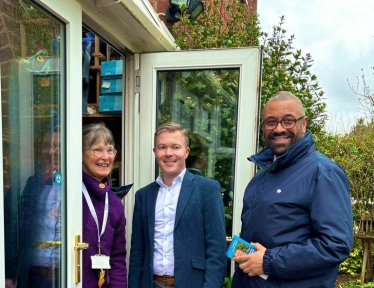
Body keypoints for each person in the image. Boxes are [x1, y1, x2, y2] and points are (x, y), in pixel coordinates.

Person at [232, 91, 353, 288]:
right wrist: (243, 251)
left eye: (288, 121)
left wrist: (268, 260)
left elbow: (335, 245)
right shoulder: (261, 177)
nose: (279, 129)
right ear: (263, 127)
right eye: (271, 122)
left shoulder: (323, 173)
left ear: (304, 123)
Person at [128, 122, 227, 288]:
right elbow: (137, 253)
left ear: (186, 152)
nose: (168, 153)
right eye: (162, 147)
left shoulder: (207, 190)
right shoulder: (143, 196)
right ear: (155, 152)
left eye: (175, 147)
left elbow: (216, 250)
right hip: (152, 283)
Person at [5, 126, 62, 288]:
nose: (53, 151)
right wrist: (9, 272)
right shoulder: (31, 184)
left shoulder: (82, 186)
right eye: (48, 146)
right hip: (34, 275)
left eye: (59, 145)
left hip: (72, 274)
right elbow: (13, 227)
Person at [82, 122, 127, 288]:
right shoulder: (68, 194)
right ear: (80, 153)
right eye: (97, 150)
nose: (106, 157)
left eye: (110, 150)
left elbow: (117, 258)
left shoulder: (114, 203)